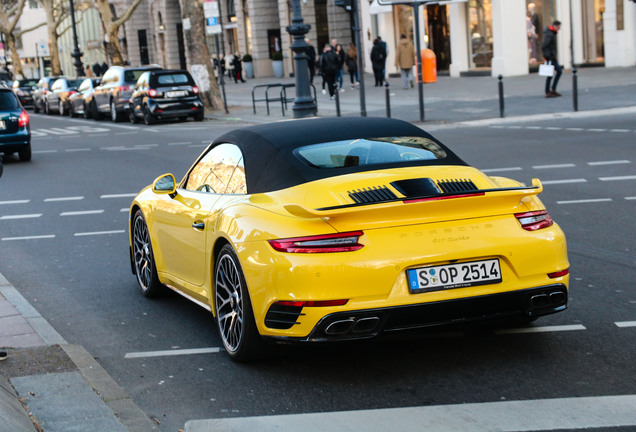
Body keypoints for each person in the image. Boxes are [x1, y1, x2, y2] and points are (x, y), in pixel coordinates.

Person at [542, 20, 562, 98]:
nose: (559, 28)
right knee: (552, 74)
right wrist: (547, 57)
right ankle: (548, 91)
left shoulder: (552, 33)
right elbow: (544, 46)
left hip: (552, 57)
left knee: (555, 73)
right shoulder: (549, 34)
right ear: (554, 26)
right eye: (558, 27)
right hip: (550, 57)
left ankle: (552, 90)